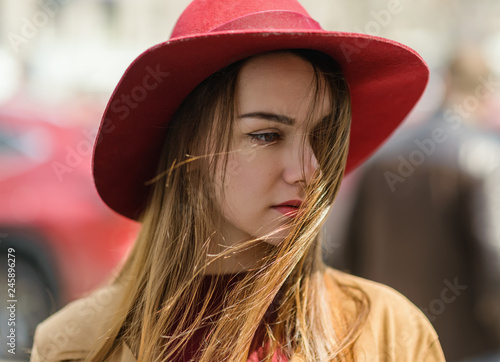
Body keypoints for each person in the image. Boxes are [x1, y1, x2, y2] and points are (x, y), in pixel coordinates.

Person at [30, 0, 445, 361]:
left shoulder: (389, 333)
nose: (309, 170)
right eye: (266, 135)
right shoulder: (75, 345)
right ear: (188, 149)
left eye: (322, 138)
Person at [339, 48, 500, 361]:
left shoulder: (384, 153)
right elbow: (494, 255)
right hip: (467, 346)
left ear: (447, 83)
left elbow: (348, 251)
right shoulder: (484, 156)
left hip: (391, 341)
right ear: (485, 92)